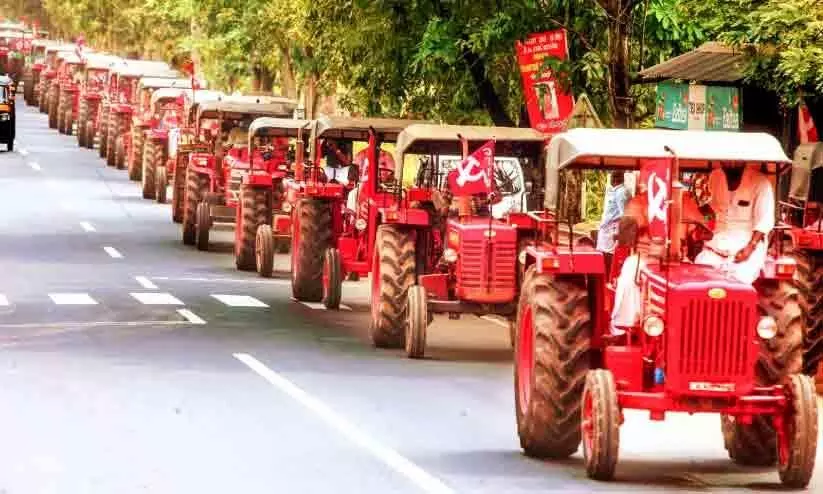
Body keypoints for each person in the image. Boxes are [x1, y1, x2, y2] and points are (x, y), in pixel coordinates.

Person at [610, 166, 714, 333]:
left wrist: (703, 220)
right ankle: (623, 329)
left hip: (679, 261)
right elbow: (626, 236)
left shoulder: (687, 200)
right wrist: (639, 223)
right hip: (644, 259)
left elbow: (703, 230)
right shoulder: (639, 201)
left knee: (704, 287)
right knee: (629, 279)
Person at [694, 162, 775, 284]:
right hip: (716, 247)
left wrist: (750, 247)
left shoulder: (761, 183)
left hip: (745, 249)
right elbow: (711, 213)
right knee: (700, 276)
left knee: (738, 282)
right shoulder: (714, 177)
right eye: (726, 161)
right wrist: (704, 223)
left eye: (735, 161)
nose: (731, 163)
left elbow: (765, 219)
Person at [596, 172, 630, 270]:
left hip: (612, 229)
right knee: (603, 253)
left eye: (612, 177)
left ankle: (608, 278)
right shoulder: (615, 191)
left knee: (609, 255)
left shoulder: (621, 192)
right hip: (606, 229)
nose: (611, 179)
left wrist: (610, 222)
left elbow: (623, 214)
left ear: (616, 178)